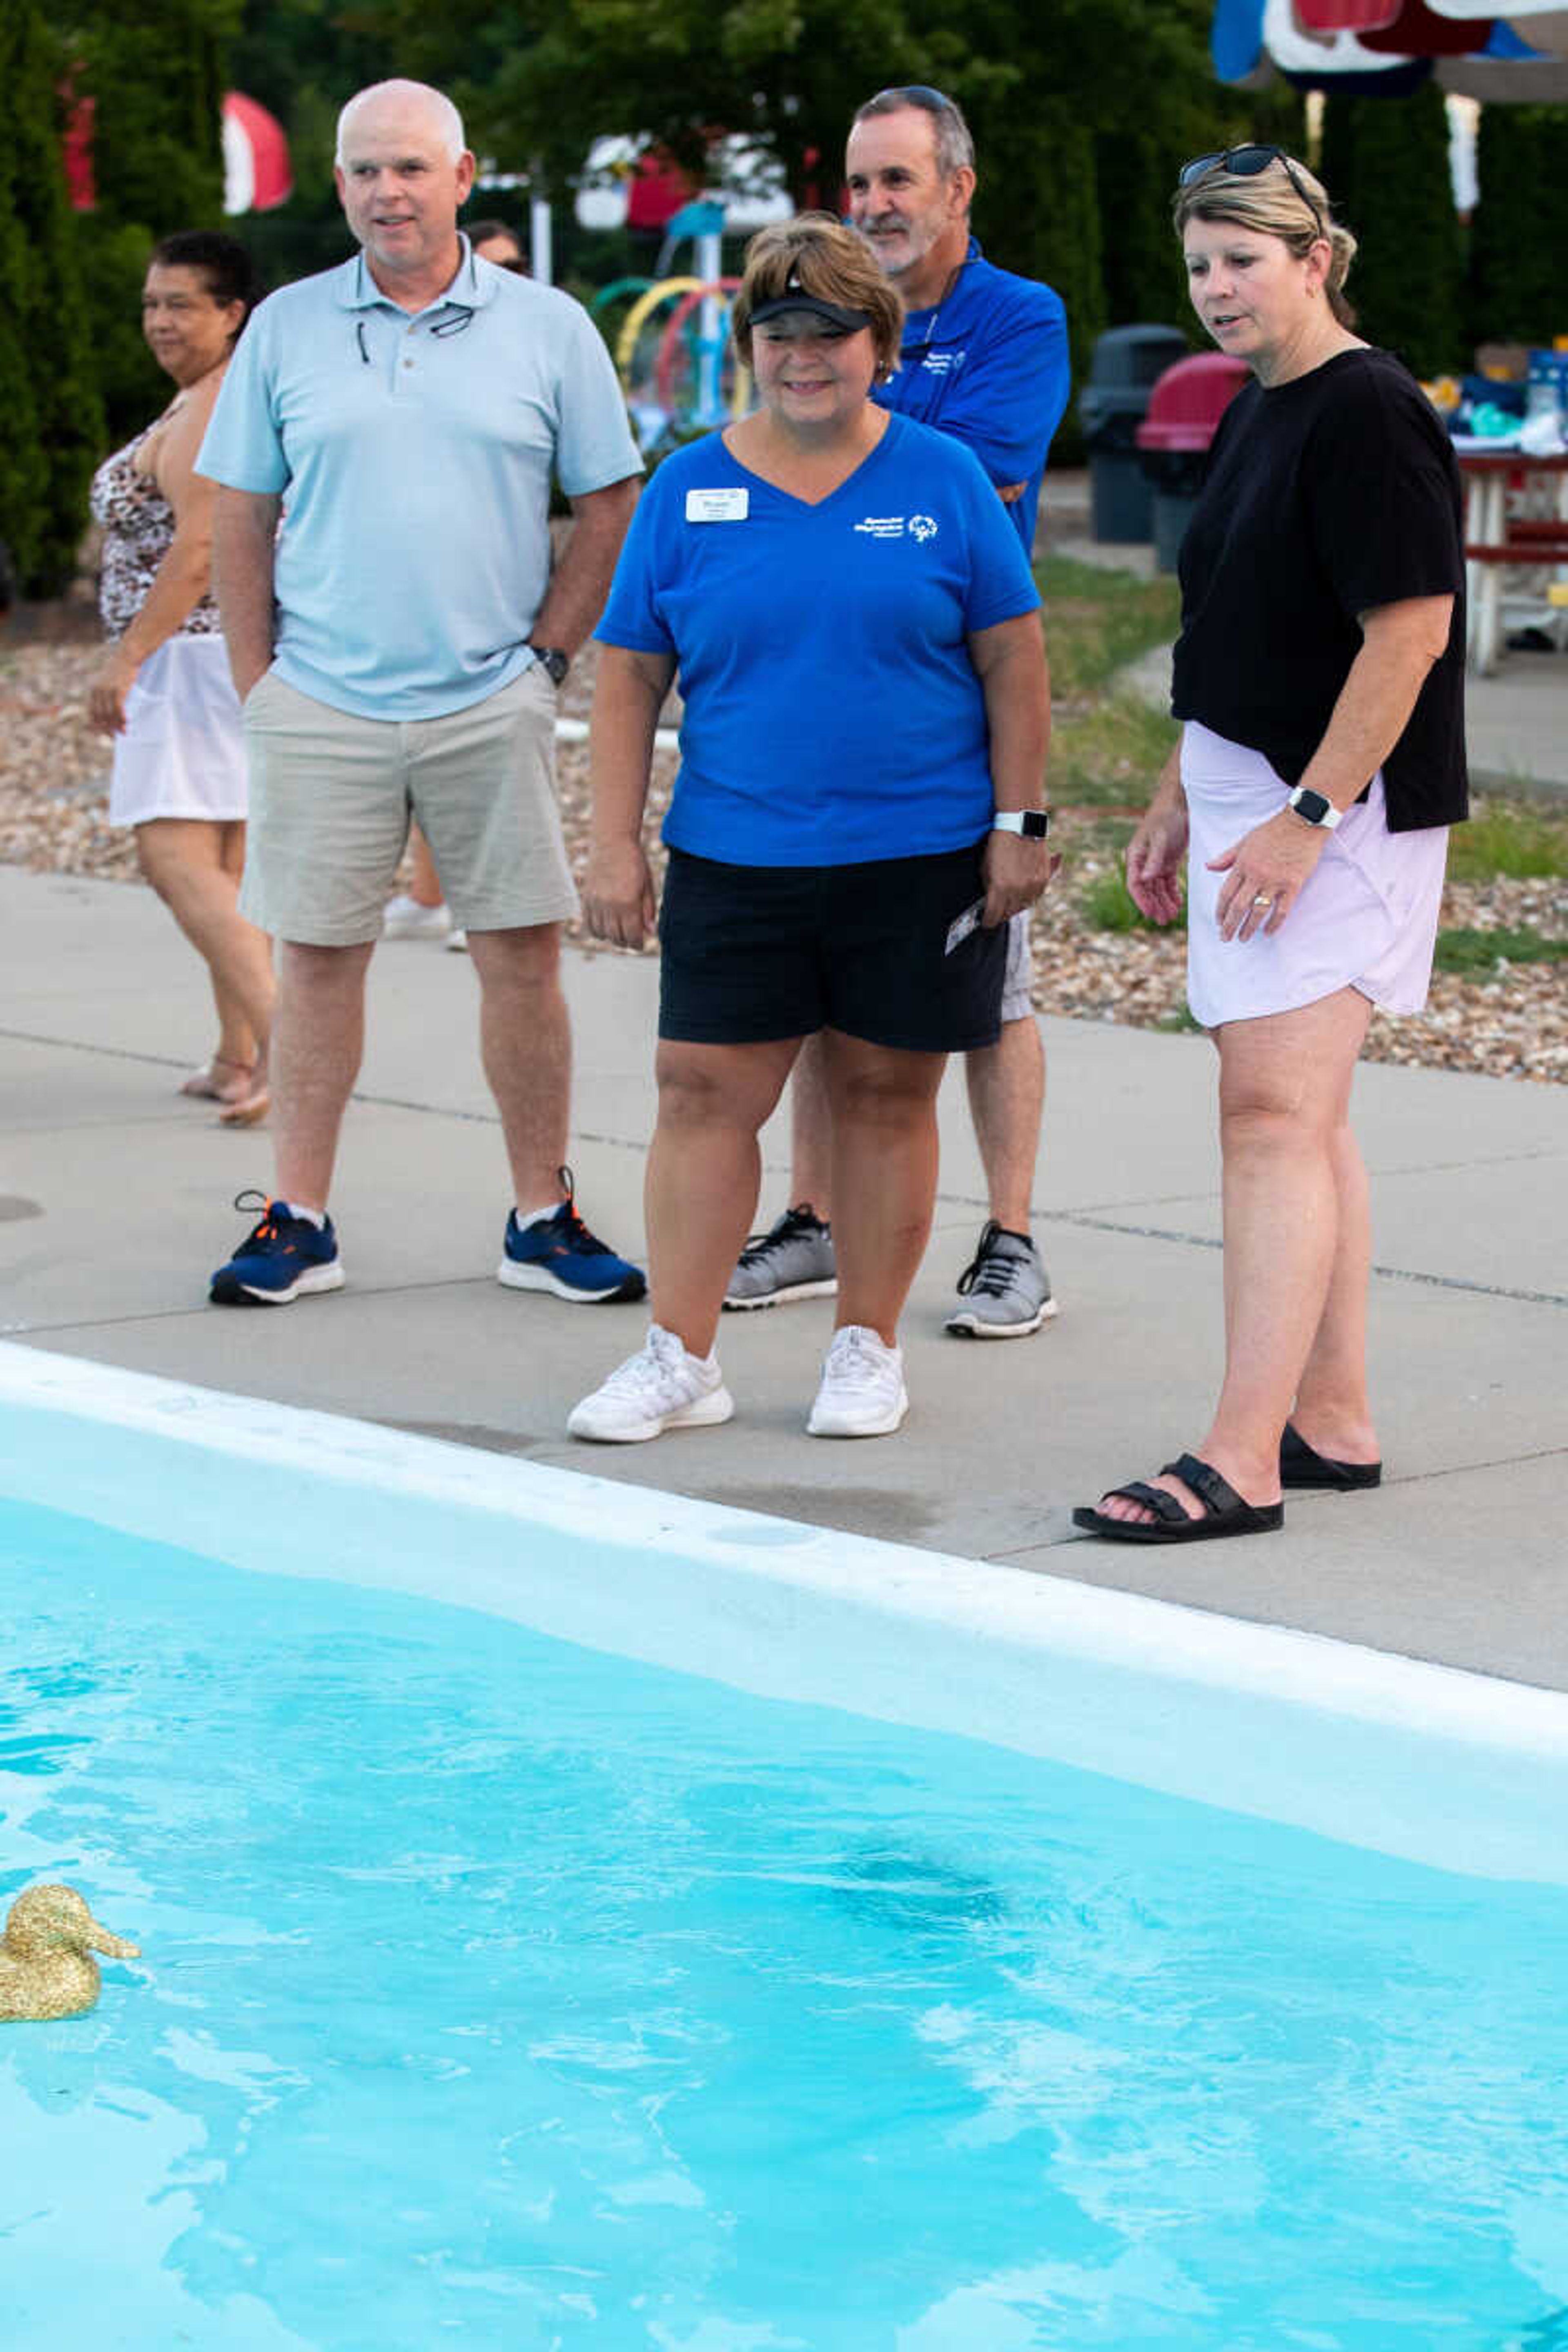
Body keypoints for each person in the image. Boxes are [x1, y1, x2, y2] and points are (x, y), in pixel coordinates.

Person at [568, 213, 1054, 1446]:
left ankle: (867, 1348)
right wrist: (613, 844)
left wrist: (1021, 825)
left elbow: (1016, 660)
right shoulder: (690, 482)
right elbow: (626, 677)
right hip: (738, 852)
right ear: (752, 346)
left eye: (830, 333)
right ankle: (680, 1357)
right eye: (779, 333)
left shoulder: (943, 477)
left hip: (920, 854)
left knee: (888, 1092)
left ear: (878, 345)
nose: (804, 356)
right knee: (697, 1093)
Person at [198, 78, 645, 1307]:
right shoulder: (285, 326)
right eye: (362, 172)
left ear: (461, 176)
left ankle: (544, 1216)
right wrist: (260, 679)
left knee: (520, 961)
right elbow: (238, 505)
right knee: (320, 961)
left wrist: (545, 657)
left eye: (409, 168)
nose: (386, 192)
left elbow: (609, 501)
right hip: (321, 702)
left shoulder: (549, 328)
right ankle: (298, 1219)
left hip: (485, 702)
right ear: (338, 186)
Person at [1073, 146, 1465, 1544]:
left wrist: (1305, 817)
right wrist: (1187, 790)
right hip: (1251, 791)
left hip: (1333, 810)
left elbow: (1409, 633)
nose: (1217, 288)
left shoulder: (1367, 409)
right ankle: (1331, 1421)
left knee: (1271, 1122)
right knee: (1304, 1124)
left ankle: (1241, 1458)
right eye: (1198, 265)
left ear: (1316, 257)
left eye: (1242, 258)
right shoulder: (1262, 406)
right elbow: (1228, 618)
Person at [726, 85, 1070, 1339]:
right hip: (826, 696)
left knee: (993, 978)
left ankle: (1015, 1238)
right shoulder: (817, 332)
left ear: (958, 189)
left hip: (959, 700)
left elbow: (973, 472)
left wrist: (822, 421)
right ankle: (816, 1221)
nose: (874, 207)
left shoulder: (1016, 317)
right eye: (859, 184)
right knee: (832, 977)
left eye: (899, 183)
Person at [88, 231, 274, 1125]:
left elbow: (199, 550)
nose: (161, 321)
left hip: (188, 658)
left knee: (172, 856)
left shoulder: (212, 408)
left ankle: (287, 1045)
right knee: (231, 864)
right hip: (213, 656)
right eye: (152, 304)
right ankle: (239, 1057)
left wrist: (126, 658)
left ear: (233, 314)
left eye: (183, 305)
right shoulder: (208, 399)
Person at [381, 218, 530, 951]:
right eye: (492, 263)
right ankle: (432, 893)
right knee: (418, 758)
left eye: (515, 264)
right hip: (418, 589)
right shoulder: (426, 350)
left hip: (503, 606)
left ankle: (478, 905)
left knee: (488, 770)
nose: (502, 277)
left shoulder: (540, 347)